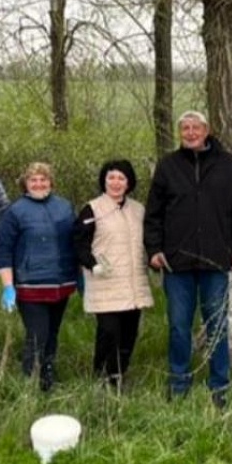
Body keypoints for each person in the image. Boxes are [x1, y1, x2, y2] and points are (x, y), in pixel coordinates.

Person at [144, 110, 232, 408]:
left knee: (217, 325)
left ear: (207, 130)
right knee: (179, 325)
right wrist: (154, 249)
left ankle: (220, 385)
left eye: (195, 128)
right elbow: (153, 214)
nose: (190, 133)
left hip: (216, 260)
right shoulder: (168, 166)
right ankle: (179, 382)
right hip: (177, 263)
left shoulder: (227, 164)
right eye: (185, 128)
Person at [0, 162, 78, 391]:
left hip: (61, 283)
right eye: (34, 180)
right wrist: (8, 286)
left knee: (52, 333)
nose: (39, 184)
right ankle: (31, 381)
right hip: (30, 285)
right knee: (37, 334)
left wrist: (80, 276)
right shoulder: (15, 211)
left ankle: (48, 374)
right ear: (26, 183)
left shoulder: (64, 207)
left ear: (51, 182)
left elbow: (77, 241)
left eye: (43, 179)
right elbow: (3, 249)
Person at [74, 159, 153, 392]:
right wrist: (91, 264)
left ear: (128, 182)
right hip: (104, 281)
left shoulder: (138, 210)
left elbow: (148, 241)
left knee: (129, 334)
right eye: (111, 178)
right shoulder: (92, 209)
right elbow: (79, 242)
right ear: (104, 180)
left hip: (133, 283)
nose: (115, 183)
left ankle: (119, 374)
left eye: (121, 178)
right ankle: (103, 373)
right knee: (109, 332)